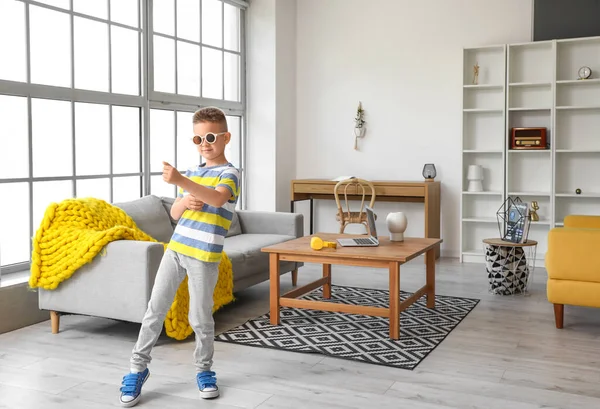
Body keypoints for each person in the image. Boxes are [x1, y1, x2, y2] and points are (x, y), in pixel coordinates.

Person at [119, 107, 240, 407]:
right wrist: (184, 200)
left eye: (210, 137)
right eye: (198, 138)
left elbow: (218, 197)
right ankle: (137, 367)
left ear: (226, 137)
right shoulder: (196, 172)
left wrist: (180, 181)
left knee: (200, 318)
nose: (204, 144)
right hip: (176, 250)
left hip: (204, 256)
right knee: (154, 310)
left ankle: (204, 370)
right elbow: (175, 214)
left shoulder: (230, 173)